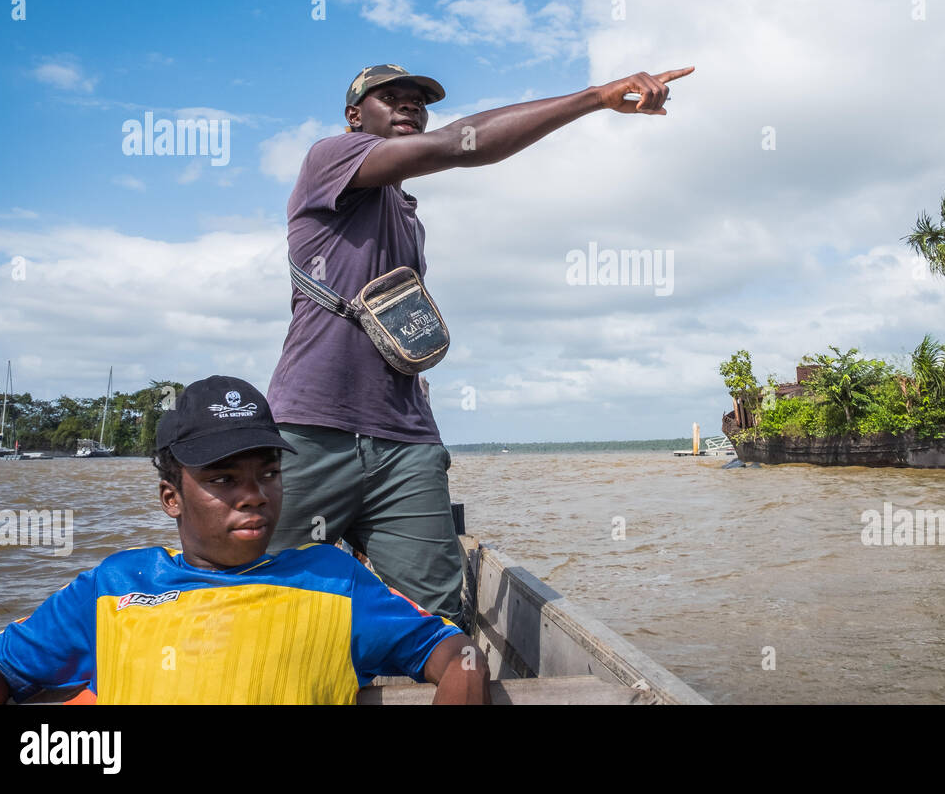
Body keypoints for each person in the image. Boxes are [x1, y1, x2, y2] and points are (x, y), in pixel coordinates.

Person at [265, 62, 695, 621]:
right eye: (389, 98)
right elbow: (461, 146)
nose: (409, 108)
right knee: (268, 599)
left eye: (418, 101)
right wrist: (595, 98)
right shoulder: (330, 159)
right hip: (312, 426)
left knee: (437, 615)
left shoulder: (406, 212)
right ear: (354, 117)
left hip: (404, 438)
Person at [0, 375, 490, 705]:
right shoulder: (113, 586)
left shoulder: (333, 579)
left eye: (268, 473)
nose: (255, 496)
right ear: (171, 498)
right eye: (223, 480)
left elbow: (454, 653)